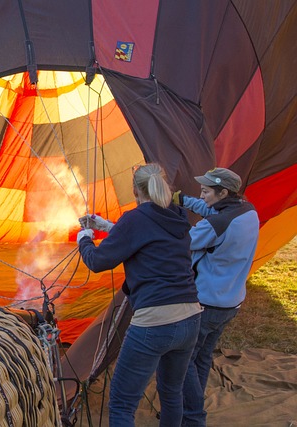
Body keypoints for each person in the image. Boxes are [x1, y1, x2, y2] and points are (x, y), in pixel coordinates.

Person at [77, 163, 201, 427]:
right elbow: (147, 237)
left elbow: (98, 261)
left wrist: (84, 238)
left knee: (122, 404)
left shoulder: (135, 218)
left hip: (154, 322)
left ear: (134, 190)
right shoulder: (177, 216)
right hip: (191, 317)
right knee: (171, 393)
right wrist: (108, 226)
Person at [178, 168, 259, 427]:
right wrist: (180, 199)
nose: (201, 195)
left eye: (206, 191)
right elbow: (210, 211)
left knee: (184, 360)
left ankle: (192, 417)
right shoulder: (247, 211)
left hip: (207, 303)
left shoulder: (213, 226)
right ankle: (193, 406)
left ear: (223, 193)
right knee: (202, 357)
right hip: (231, 301)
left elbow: (179, 243)